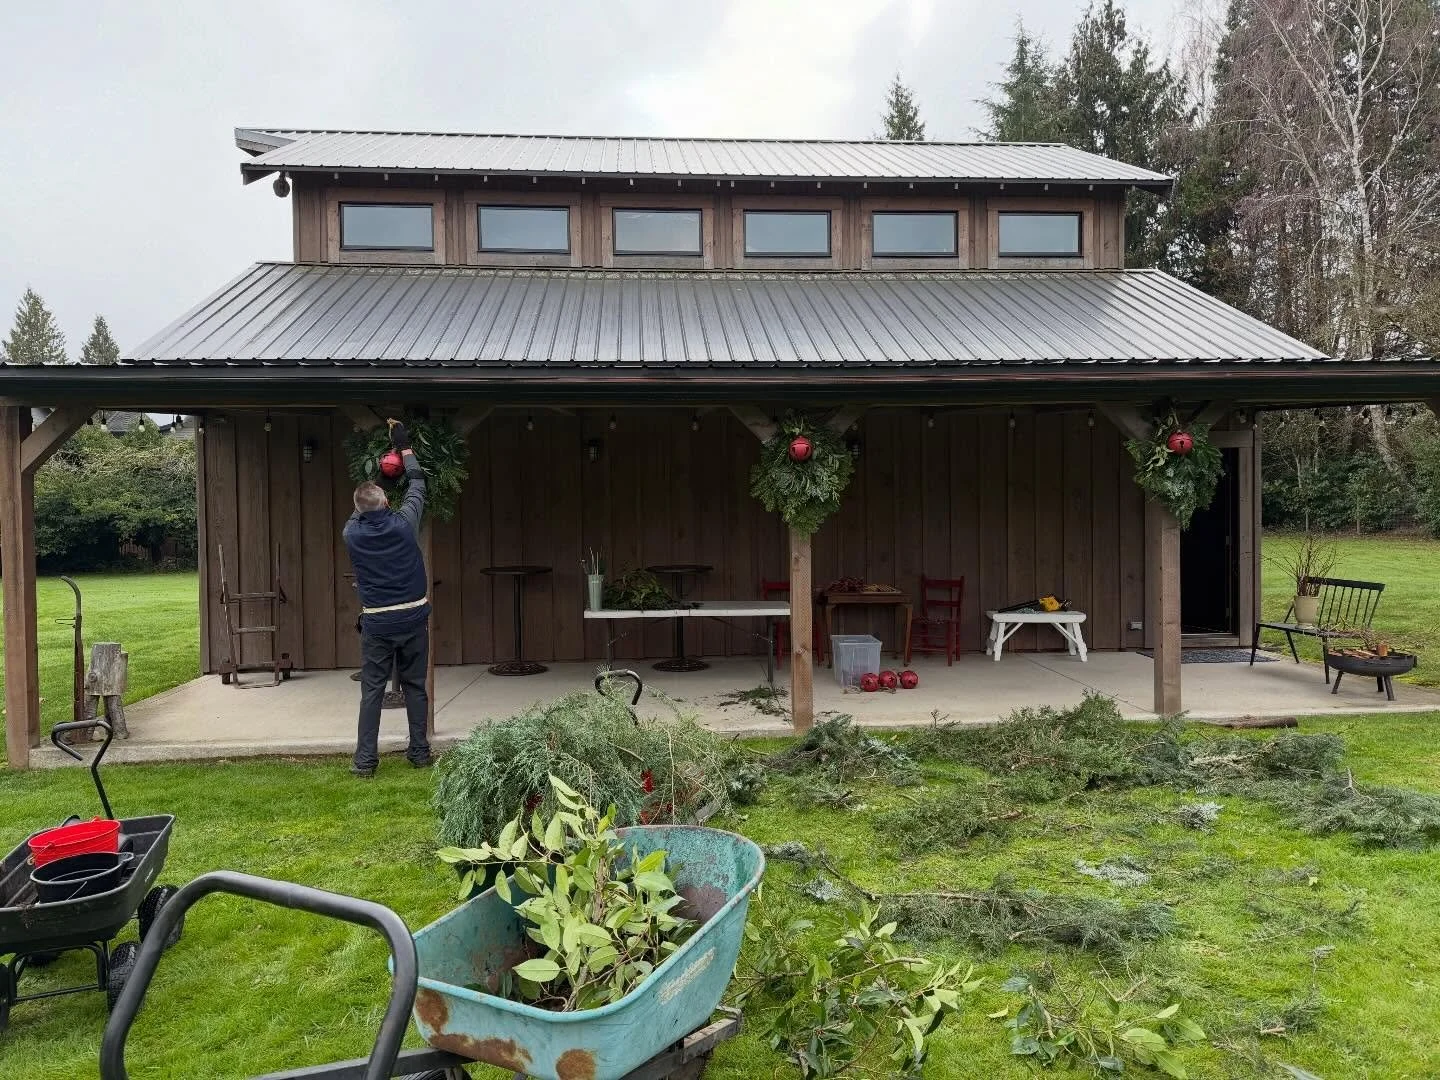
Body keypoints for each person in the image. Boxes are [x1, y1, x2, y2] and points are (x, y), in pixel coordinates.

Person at [343, 419, 432, 777]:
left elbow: (362, 505)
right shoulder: (405, 523)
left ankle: (365, 762)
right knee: (415, 687)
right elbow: (418, 482)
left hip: (377, 622)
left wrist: (381, 475)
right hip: (412, 618)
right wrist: (404, 447)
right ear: (385, 503)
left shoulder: (352, 533)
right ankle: (419, 753)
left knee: (371, 692)